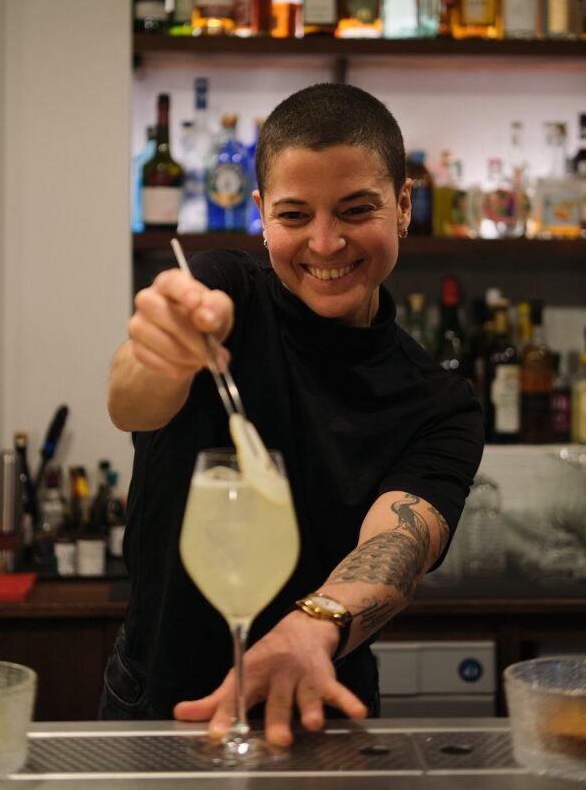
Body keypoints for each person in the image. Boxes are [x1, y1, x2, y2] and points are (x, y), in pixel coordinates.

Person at [101, 82, 484, 746]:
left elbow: (398, 543)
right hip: (158, 697)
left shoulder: (438, 400)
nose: (326, 243)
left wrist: (311, 628)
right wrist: (159, 354)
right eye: (294, 215)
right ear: (260, 214)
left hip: (324, 708)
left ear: (402, 205)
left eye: (355, 209)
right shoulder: (222, 296)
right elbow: (132, 406)